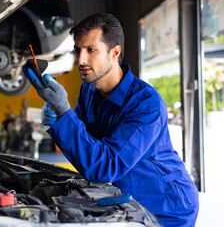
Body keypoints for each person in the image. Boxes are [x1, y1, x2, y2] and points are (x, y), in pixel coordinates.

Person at [22, 13, 199, 226]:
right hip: (128, 197)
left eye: (91, 50)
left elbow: (105, 165)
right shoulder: (89, 90)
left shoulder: (145, 104)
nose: (81, 60)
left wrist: (64, 114)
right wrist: (59, 118)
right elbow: (83, 136)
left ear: (114, 52)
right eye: (78, 50)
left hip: (166, 206)